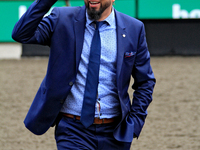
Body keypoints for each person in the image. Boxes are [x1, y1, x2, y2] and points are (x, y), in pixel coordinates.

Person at [12, 0, 156, 149]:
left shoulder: (134, 28)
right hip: (73, 131)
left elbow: (145, 81)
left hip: (116, 132)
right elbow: (21, 34)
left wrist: (135, 122)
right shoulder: (61, 18)